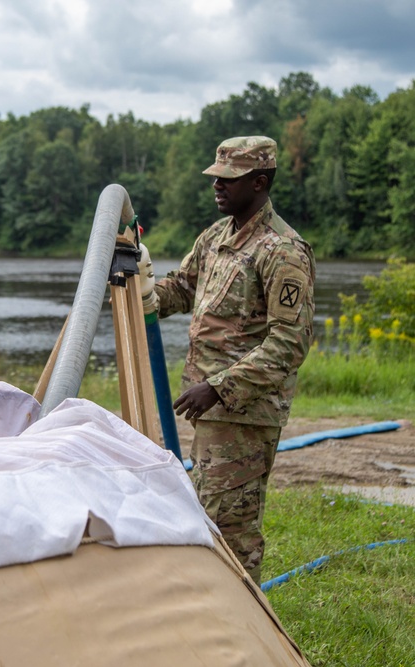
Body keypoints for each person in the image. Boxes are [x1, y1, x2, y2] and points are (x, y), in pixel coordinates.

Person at [144, 136, 315, 585]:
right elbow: (181, 288)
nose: (217, 187)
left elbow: (290, 343)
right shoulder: (216, 236)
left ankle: (246, 633)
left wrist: (220, 386)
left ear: (259, 182)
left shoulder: (282, 250)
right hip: (212, 412)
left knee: (232, 531)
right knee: (205, 516)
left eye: (228, 179)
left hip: (245, 413)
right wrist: (144, 291)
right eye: (215, 178)